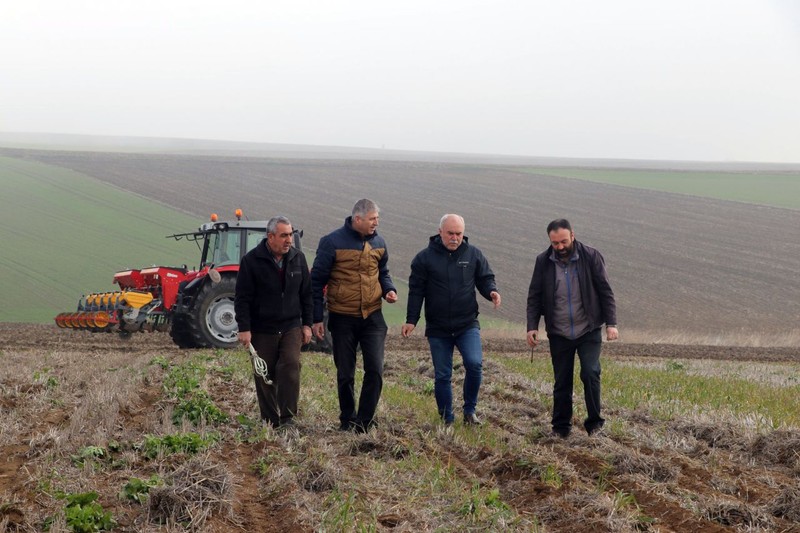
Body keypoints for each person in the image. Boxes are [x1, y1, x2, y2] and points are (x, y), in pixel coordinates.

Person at [402, 214, 501, 426]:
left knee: (474, 364)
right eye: (450, 233)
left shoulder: (473, 254)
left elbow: (485, 278)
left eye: (459, 234)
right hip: (438, 327)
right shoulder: (424, 259)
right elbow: (416, 291)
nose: (455, 238)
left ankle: (469, 411)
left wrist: (491, 292)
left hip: (467, 324)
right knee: (443, 375)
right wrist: (412, 320)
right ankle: (447, 417)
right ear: (440, 232)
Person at [526, 219, 618, 438]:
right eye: (555, 243)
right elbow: (534, 296)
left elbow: (606, 291)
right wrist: (532, 326)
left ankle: (595, 425)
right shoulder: (543, 261)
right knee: (562, 380)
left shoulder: (591, 256)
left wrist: (611, 324)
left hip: (588, 329)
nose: (560, 247)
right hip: (559, 332)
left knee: (590, 372)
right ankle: (561, 428)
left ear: (573, 236)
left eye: (563, 241)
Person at [312, 199, 398, 433]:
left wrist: (389, 289)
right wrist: (316, 318)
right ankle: (347, 419)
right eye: (372, 219)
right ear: (357, 219)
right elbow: (316, 281)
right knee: (345, 373)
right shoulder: (331, 242)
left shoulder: (379, 242)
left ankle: (364, 421)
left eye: (377, 219)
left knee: (375, 369)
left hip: (373, 317)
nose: (376, 223)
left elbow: (384, 272)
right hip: (342, 317)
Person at [234, 216, 313, 428]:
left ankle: (288, 419)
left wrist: (307, 324)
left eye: (291, 235)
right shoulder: (251, 261)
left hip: (290, 326)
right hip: (262, 328)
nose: (289, 240)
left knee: (290, 365)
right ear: (270, 237)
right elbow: (242, 298)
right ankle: (270, 420)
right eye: (284, 235)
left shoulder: (298, 258)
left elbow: (307, 295)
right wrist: (244, 328)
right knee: (264, 373)